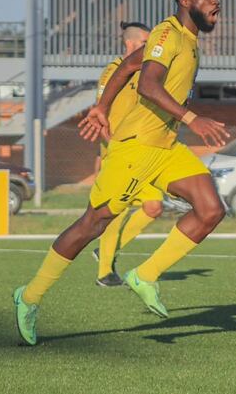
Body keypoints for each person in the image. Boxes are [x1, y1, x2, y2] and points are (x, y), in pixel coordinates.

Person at [12, 0, 230, 346]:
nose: (216, 1)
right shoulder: (168, 32)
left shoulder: (188, 39)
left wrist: (101, 105)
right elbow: (147, 83)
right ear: (185, 1)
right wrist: (193, 118)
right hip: (136, 148)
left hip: (165, 148)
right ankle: (29, 297)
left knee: (211, 209)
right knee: (92, 224)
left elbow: (131, 64)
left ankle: (144, 275)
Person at [92, 21, 166, 288]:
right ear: (130, 44)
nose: (150, 48)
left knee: (154, 205)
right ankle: (104, 273)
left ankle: (107, 250)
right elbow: (101, 112)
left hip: (138, 153)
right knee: (117, 211)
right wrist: (110, 147)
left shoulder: (140, 74)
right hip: (117, 152)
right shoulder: (113, 72)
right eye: (146, 43)